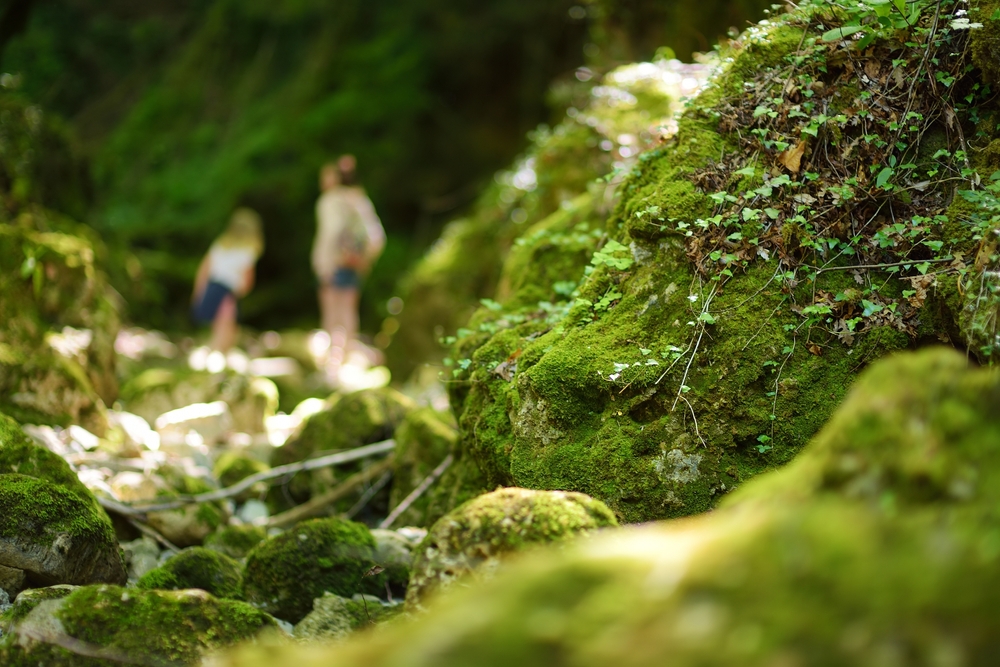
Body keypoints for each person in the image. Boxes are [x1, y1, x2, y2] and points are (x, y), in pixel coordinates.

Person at [311, 155, 385, 379]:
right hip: (353, 263)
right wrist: (365, 260)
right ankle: (347, 357)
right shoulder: (359, 199)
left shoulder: (330, 201)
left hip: (334, 263)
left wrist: (323, 263)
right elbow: (377, 236)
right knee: (349, 310)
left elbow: (331, 232)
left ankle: (333, 364)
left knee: (333, 311)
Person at [191, 207, 264, 352]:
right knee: (227, 324)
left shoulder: (220, 245)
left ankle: (216, 349)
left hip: (213, 286)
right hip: (228, 290)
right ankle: (218, 351)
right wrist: (240, 291)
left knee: (218, 323)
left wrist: (199, 291)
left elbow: (204, 269)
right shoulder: (248, 250)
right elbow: (247, 279)